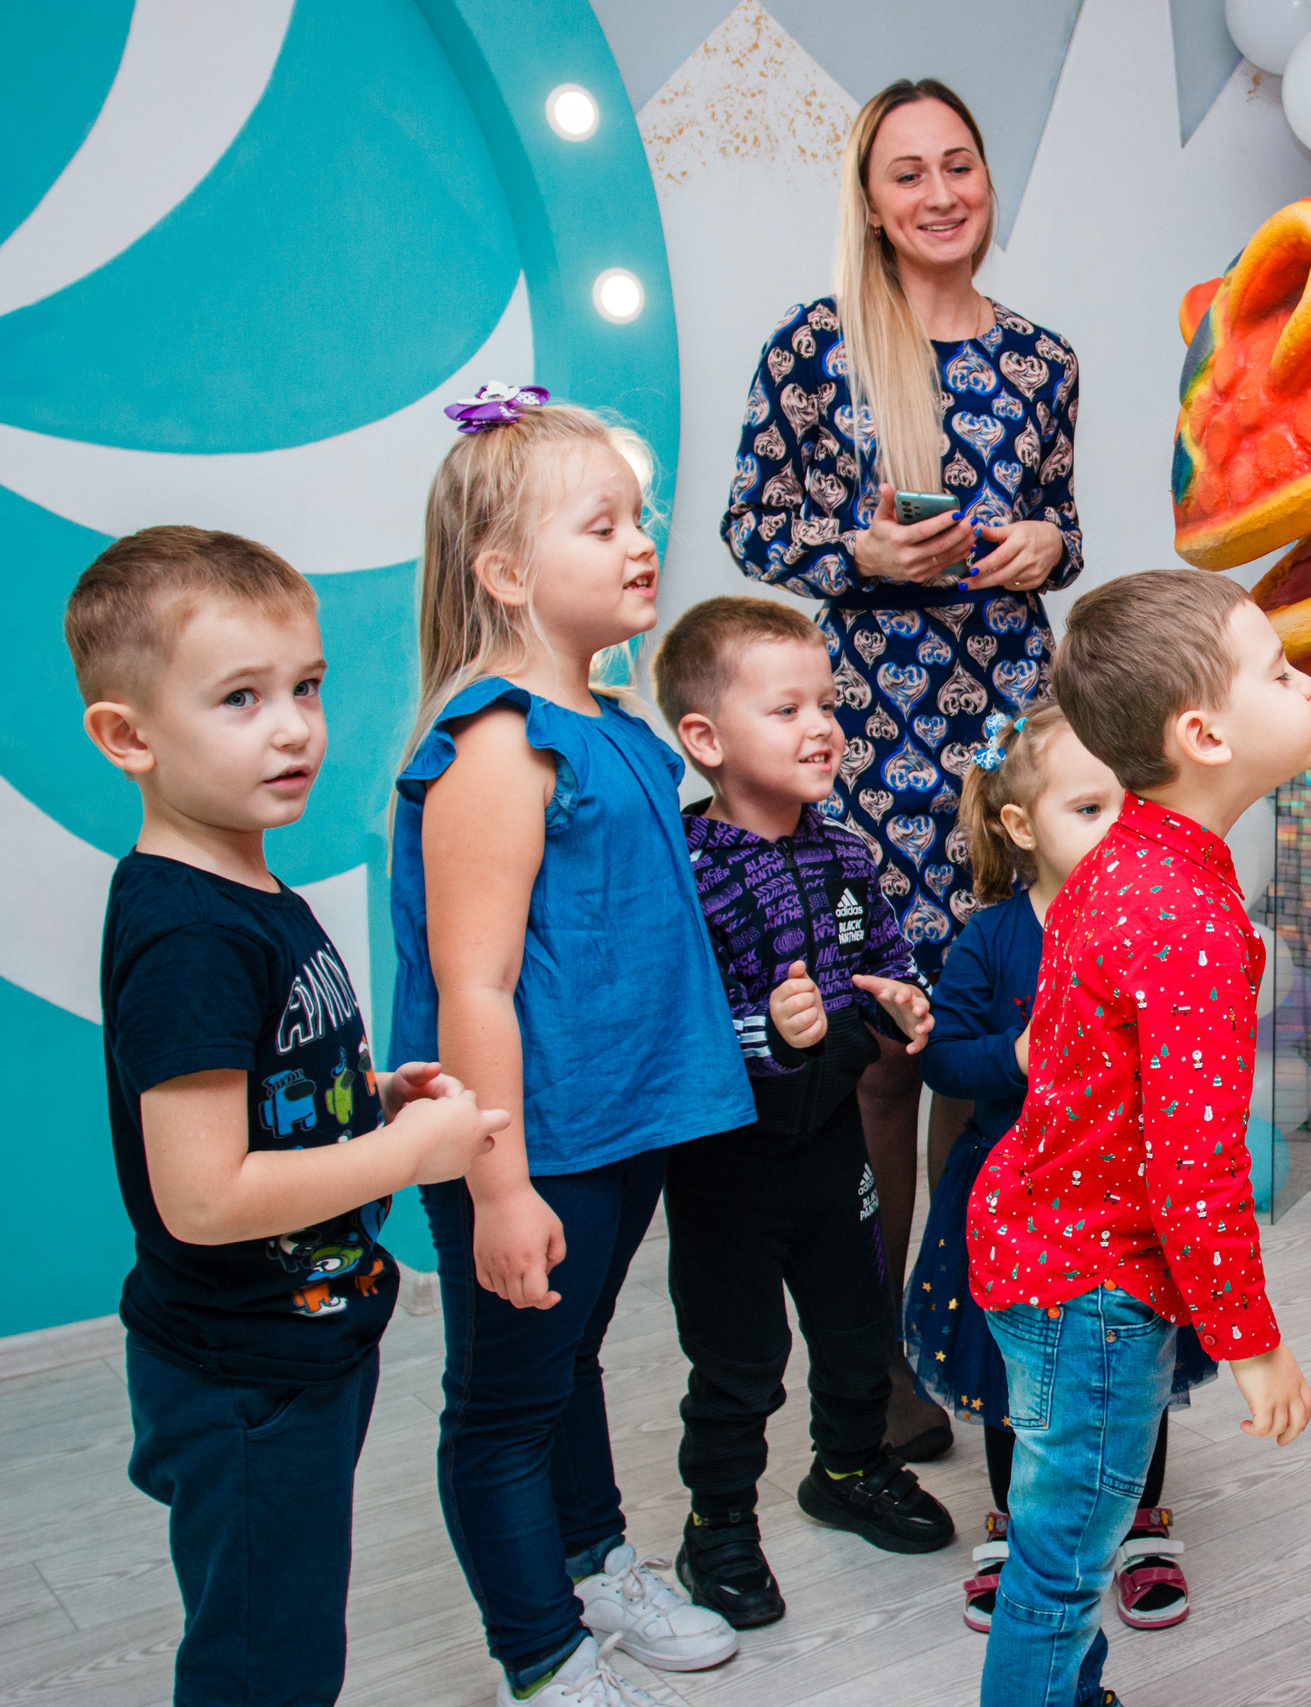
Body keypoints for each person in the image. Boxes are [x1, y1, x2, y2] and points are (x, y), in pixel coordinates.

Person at [68, 527, 509, 1707]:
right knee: (268, 1660)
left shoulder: (246, 880)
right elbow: (203, 1196)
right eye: (240, 698)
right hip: (243, 1373)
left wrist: (369, 1102)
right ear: (129, 738)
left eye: (306, 688)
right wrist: (403, 1154)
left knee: (289, 1622)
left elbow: (262, 1098)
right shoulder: (187, 938)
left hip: (302, 1344)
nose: (293, 726)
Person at [724, 76, 1085, 1463]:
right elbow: (752, 519)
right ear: (870, 204)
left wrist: (1053, 541)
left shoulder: (1044, 358)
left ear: (986, 182)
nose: (940, 195)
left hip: (1005, 729)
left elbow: (1060, 515)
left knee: (983, 1054)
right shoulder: (819, 348)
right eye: (907, 175)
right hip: (867, 731)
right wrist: (858, 557)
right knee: (878, 1061)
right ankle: (878, 1371)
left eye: (959, 167)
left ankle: (974, 1334)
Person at [392, 392, 753, 1707]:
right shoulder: (498, 741)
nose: (641, 542)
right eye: (602, 524)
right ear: (504, 574)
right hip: (531, 1137)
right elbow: (472, 982)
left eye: (640, 516)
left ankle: (595, 1554)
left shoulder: (614, 726)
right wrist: (497, 1181)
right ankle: (539, 1650)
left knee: (569, 1354)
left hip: (620, 1119)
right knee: (501, 1401)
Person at [967, 571, 1311, 1707]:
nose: (1305, 683)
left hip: (1036, 1239)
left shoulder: (1127, 860)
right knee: (1062, 1565)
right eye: (1278, 671)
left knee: (1059, 1524)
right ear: (1202, 732)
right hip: (1092, 1288)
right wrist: (1251, 1338)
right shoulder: (1187, 916)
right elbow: (1194, 1168)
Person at [648, 595, 956, 1630]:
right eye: (786, 710)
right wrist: (767, 1030)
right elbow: (678, 1028)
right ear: (705, 739)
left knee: (853, 1321)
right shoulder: (683, 873)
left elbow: (880, 960)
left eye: (826, 703)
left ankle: (850, 1467)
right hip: (728, 1169)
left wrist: (903, 995)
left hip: (833, 1148)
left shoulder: (845, 854)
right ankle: (719, 1526)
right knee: (737, 1361)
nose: (822, 726)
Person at [909, 703, 1221, 1635]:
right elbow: (943, 1060)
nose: (1116, 828)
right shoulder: (993, 939)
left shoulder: (1154, 920)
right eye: (1088, 809)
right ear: (1019, 826)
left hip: (1130, 1197)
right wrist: (1016, 1052)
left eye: (1128, 805)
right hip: (1019, 1200)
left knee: (1138, 1357)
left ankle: (1139, 1525)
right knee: (1019, 1376)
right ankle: (1016, 1525)